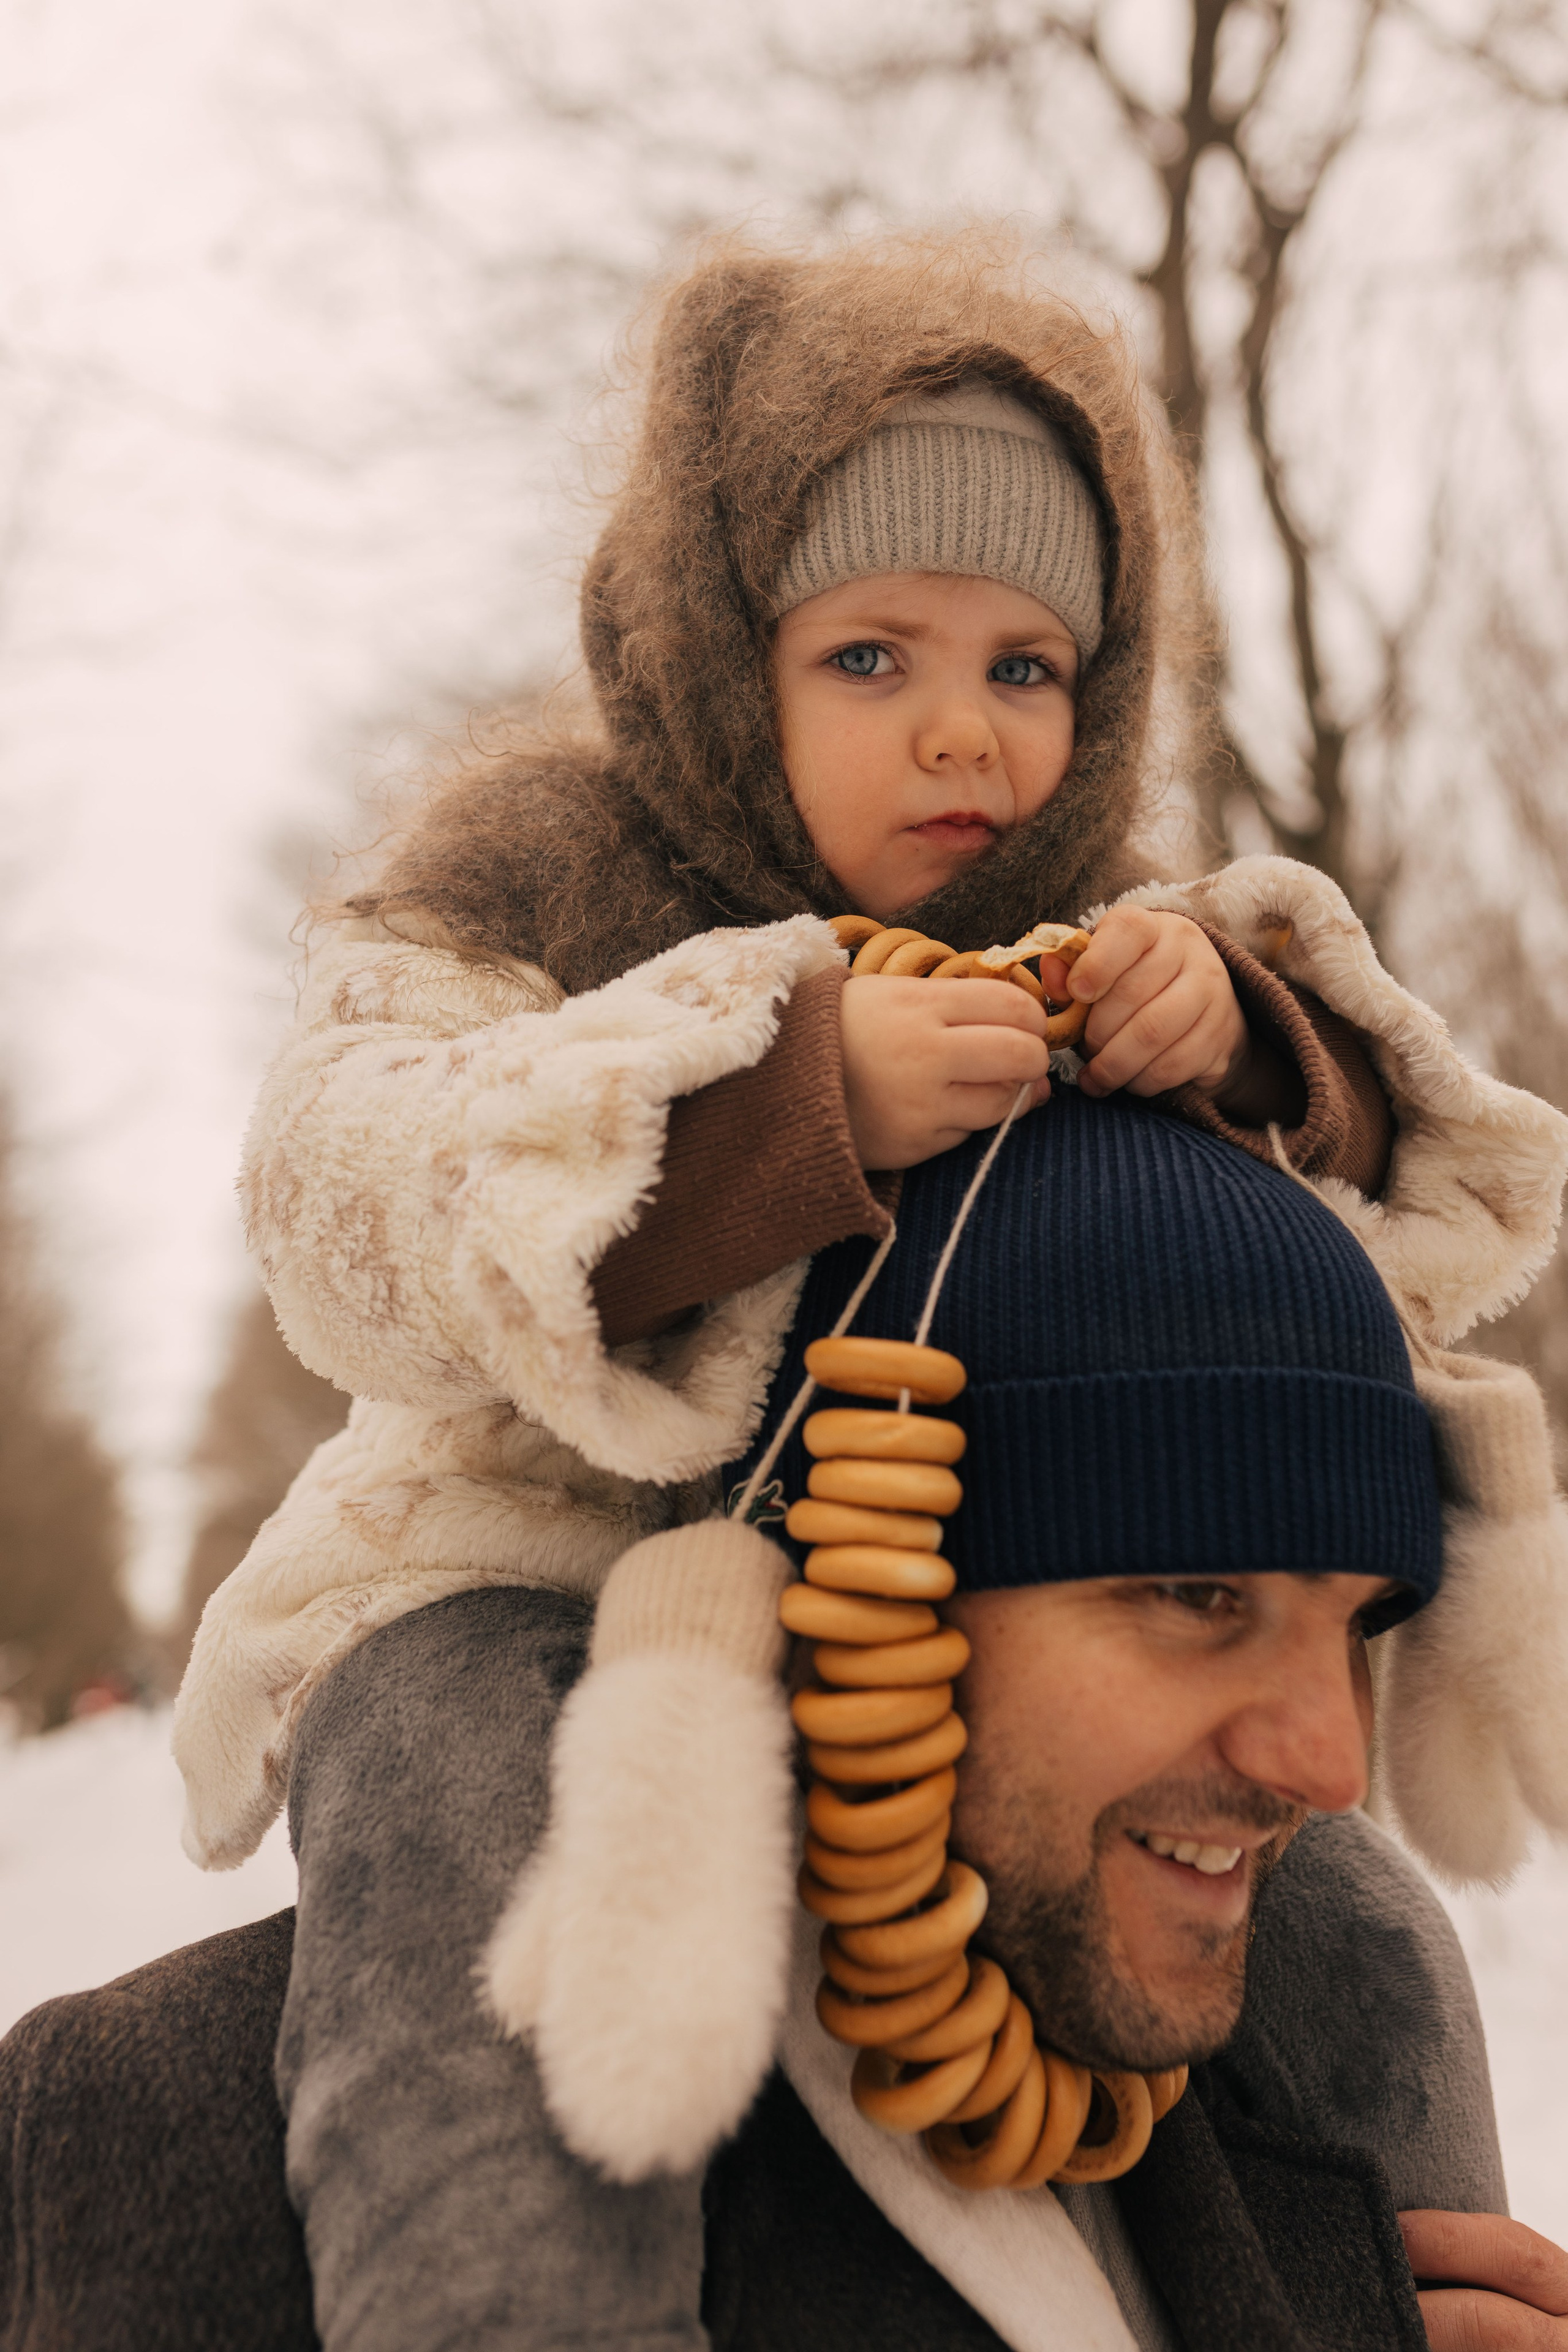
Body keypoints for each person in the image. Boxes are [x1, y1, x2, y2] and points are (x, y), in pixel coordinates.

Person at [7, 233, 1567, 2348]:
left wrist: (1267, 1049)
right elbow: (342, 1187)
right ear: (726, 650)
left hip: (937, 1643)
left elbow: (1455, 1190)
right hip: (528, 1573)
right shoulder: (533, 873)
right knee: (468, 1876)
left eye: (1030, 670)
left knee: (1363, 1920)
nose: (964, 734)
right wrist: (775, 1106)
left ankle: (1410, 2291)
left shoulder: (1114, 925)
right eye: (873, 660)